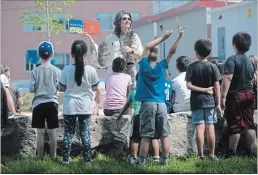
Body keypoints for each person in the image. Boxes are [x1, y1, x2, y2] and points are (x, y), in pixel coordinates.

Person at [135, 27, 184, 165]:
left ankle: (142, 161)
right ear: (157, 56)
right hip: (161, 104)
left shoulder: (143, 65)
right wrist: (179, 36)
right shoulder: (162, 66)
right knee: (164, 134)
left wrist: (163, 38)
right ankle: (165, 160)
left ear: (148, 54)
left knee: (146, 135)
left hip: (148, 104)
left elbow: (147, 45)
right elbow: (172, 51)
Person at [59, 40, 100, 165]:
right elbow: (95, 88)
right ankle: (87, 160)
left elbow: (61, 88)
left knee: (68, 134)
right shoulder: (92, 70)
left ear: (72, 53)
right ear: (86, 54)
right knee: (85, 134)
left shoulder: (66, 69)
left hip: (69, 106)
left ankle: (65, 160)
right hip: (85, 107)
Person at [84, 10, 143, 89]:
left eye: (129, 19)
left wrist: (131, 51)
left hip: (130, 75)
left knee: (130, 99)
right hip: (113, 75)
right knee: (115, 99)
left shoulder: (134, 37)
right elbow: (100, 53)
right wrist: (90, 39)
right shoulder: (111, 38)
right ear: (119, 21)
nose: (127, 20)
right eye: (124, 19)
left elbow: (140, 55)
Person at [185, 39, 222, 160]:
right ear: (209, 52)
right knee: (210, 128)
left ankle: (200, 156)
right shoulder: (213, 66)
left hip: (196, 101)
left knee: (199, 129)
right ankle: (212, 155)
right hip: (210, 102)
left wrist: (201, 90)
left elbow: (188, 85)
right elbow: (217, 86)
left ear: (196, 52)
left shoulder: (191, 67)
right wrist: (218, 103)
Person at [221, 32, 256, 158]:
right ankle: (250, 151)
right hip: (250, 95)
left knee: (235, 124)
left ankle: (231, 152)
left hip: (236, 96)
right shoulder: (250, 62)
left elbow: (227, 78)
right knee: (249, 123)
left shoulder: (232, 59)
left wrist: (223, 96)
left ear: (234, 44)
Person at [113, 73, 160, 164]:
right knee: (154, 138)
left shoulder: (134, 91)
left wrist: (119, 115)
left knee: (135, 139)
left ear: (137, 81)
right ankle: (156, 158)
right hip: (150, 116)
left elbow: (126, 105)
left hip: (137, 116)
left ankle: (133, 159)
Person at [30, 41, 61, 158]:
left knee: (40, 132)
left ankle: (40, 157)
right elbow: (60, 87)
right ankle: (53, 157)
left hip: (38, 104)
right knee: (52, 131)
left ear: (38, 55)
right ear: (52, 54)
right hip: (52, 103)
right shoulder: (57, 71)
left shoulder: (34, 71)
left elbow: (32, 89)